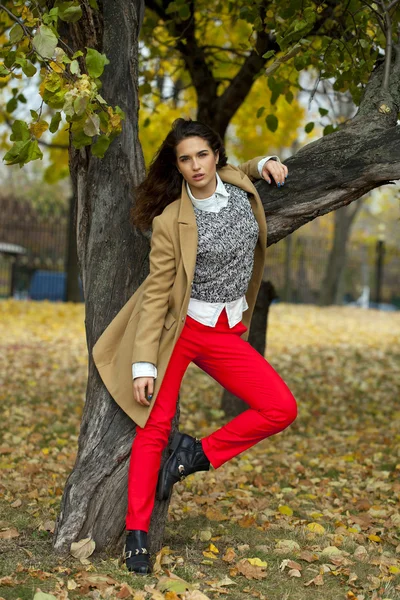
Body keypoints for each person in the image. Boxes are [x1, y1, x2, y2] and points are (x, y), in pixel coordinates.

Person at [93, 118, 297, 575]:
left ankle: (195, 456)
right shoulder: (171, 220)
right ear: (178, 166)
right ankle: (137, 537)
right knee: (153, 428)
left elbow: (244, 166)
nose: (195, 165)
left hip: (225, 331)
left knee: (281, 407)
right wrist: (144, 363)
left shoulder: (238, 183)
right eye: (185, 159)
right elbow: (157, 292)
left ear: (216, 155)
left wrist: (265, 161)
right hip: (181, 331)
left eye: (202, 155)